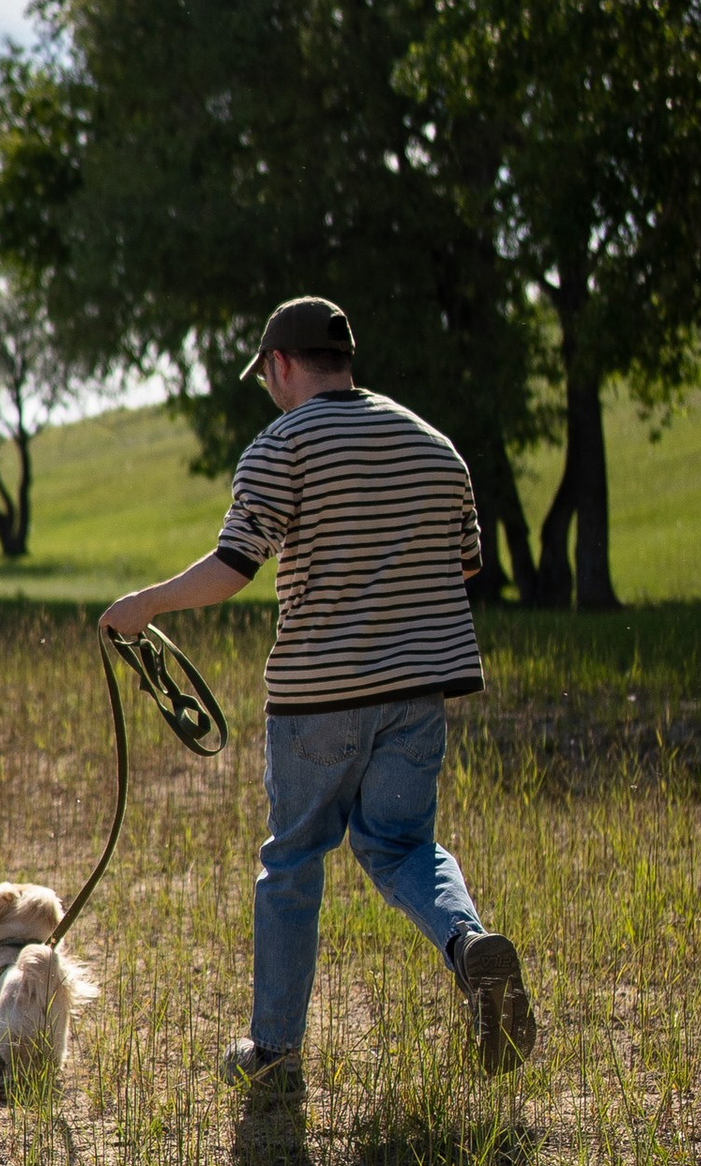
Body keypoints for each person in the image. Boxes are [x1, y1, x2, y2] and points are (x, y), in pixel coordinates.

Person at [99, 293, 535, 1084]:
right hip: (418, 694)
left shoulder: (282, 444)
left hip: (317, 701)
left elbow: (237, 565)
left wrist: (145, 605)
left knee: (294, 860)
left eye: (267, 373)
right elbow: (465, 563)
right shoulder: (435, 445)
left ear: (283, 364)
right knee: (403, 847)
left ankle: (273, 1053)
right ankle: (470, 945)